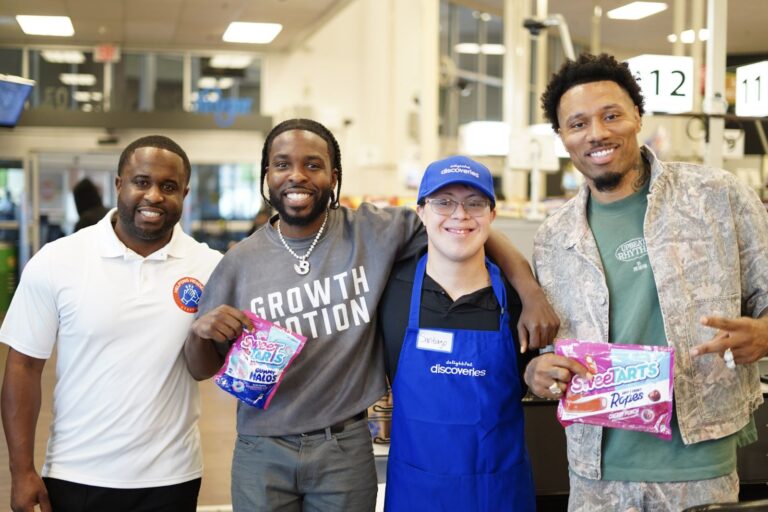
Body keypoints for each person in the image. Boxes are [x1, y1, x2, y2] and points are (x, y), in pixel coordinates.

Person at [183, 118, 559, 511]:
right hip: (262, 449)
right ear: (267, 174)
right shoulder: (239, 263)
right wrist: (199, 334)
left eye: (313, 164)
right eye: (282, 164)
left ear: (334, 176)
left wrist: (530, 292)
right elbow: (199, 368)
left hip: (343, 446)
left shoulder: (371, 231)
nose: (297, 175)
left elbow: (466, 225)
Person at [525, 53, 768, 511]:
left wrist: (765, 333)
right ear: (562, 137)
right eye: (578, 124)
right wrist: (538, 372)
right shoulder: (553, 237)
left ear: (638, 116)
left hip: (698, 465)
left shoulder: (715, 196)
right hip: (596, 472)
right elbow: (552, 349)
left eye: (611, 115)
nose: (596, 133)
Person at [0, 135, 223, 512]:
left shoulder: (210, 267)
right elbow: (23, 366)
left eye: (169, 187)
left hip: (173, 477)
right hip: (77, 473)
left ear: (184, 193)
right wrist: (21, 471)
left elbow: (209, 366)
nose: (154, 195)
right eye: (142, 182)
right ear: (119, 184)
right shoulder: (58, 260)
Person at [378, 156, 543, 511]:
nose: (460, 215)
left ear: (492, 215)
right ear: (421, 212)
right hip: (416, 492)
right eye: (444, 202)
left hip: (498, 492)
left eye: (475, 203)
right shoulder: (390, 293)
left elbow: (536, 376)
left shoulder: (520, 303)